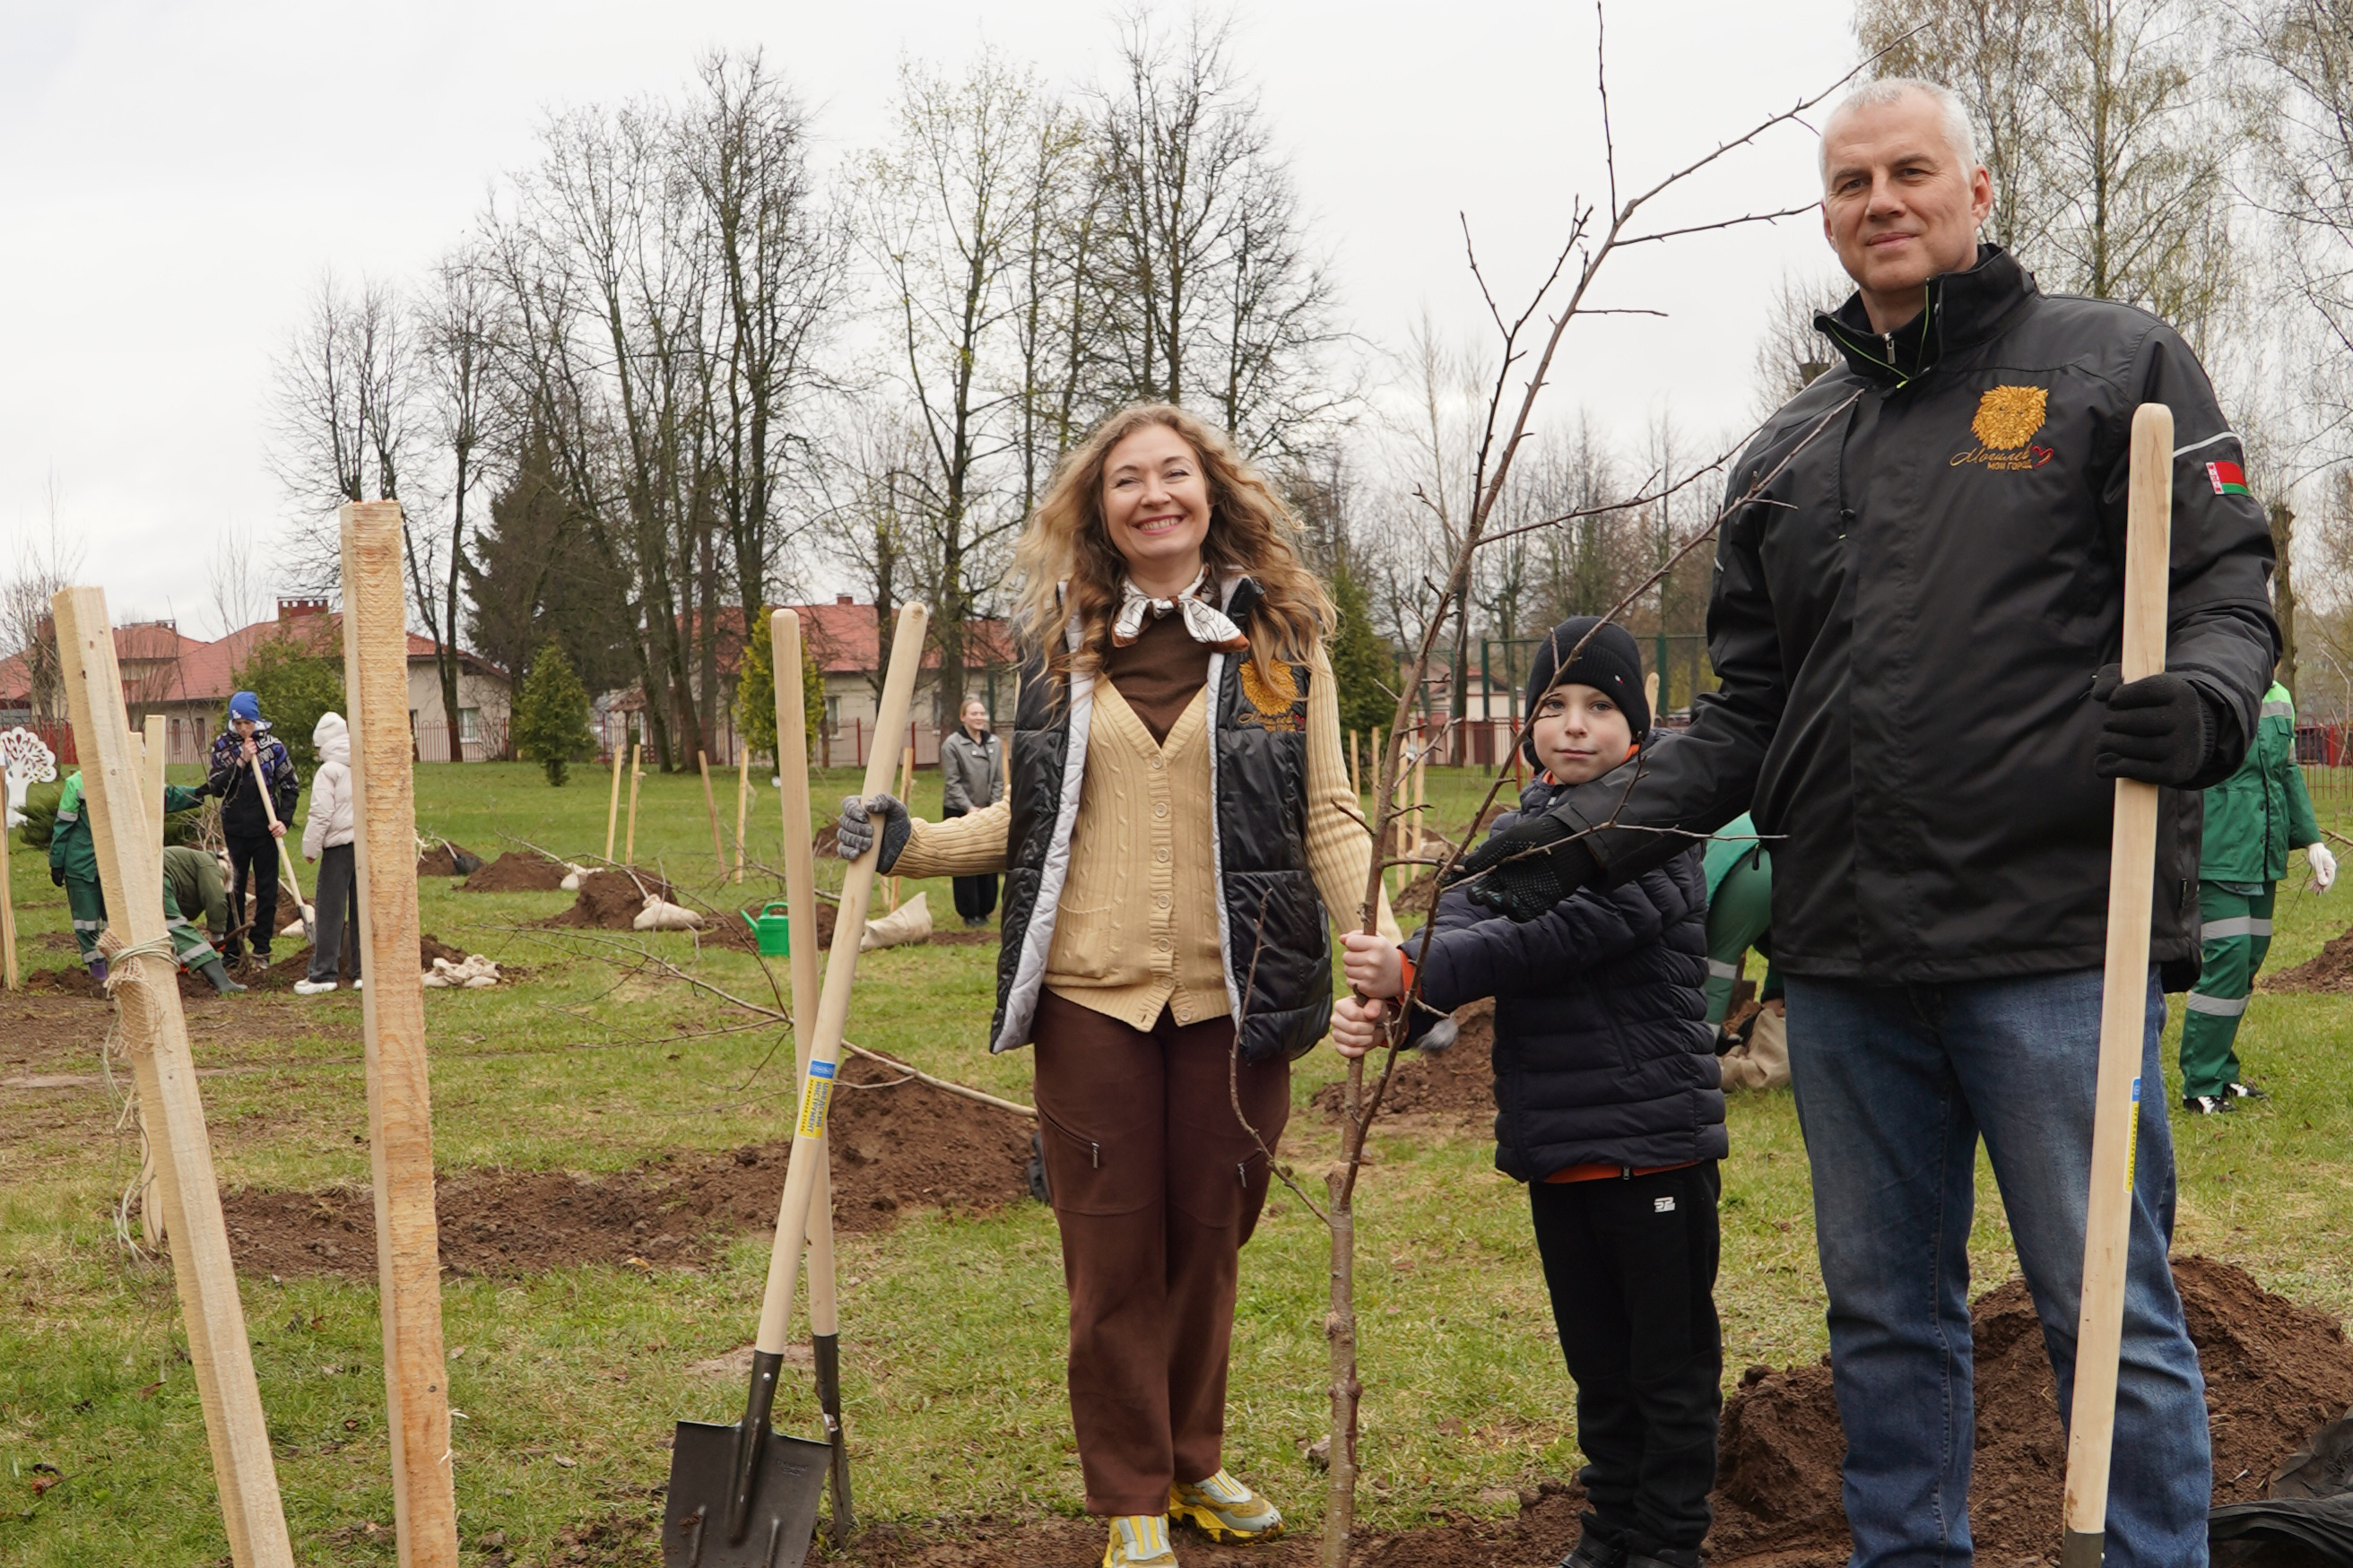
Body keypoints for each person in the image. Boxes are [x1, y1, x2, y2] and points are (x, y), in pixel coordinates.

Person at [1448, 79, 2276, 1568]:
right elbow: (1744, 710)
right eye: (1847, 183)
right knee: (1883, 1314)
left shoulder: (2110, 363)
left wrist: (2208, 694)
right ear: (1825, 218)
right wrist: (1580, 827)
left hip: (2049, 939)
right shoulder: (1785, 446)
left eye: (1907, 173)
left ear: (1975, 189)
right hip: (1842, 962)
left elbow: (2221, 582)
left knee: (2106, 1306)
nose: (1877, 200)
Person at [834, 402, 1396, 1568]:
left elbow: (1327, 814)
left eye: (1173, 475)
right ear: (1099, 509)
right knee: (1110, 1253)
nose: (1154, 496)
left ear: (1212, 493)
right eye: (1127, 480)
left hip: (1239, 1000)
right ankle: (1131, 1490)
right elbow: (1024, 819)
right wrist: (910, 845)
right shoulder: (1064, 647)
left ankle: (1193, 1459)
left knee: (1210, 1239)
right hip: (1092, 999)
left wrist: (1379, 936)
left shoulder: (1280, 645)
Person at [1334, 619, 1724, 1568]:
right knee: (1598, 1366)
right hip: (1562, 1149)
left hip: (1653, 1148)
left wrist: (1413, 964)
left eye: (1599, 707)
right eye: (1552, 706)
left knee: (1666, 1370)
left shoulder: (1652, 832)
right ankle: (1610, 1531)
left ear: (1635, 727)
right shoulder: (1513, 835)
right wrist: (1390, 1008)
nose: (1574, 726)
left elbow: (1547, 939)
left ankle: (1668, 1546)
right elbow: (1458, 934)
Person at [2180, 675, 2333, 1113]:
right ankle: (2200, 1083)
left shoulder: (2280, 696)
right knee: (2228, 955)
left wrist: (2312, 840)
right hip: (2218, 847)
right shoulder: (2207, 684)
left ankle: (2222, 1074)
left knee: (2248, 958)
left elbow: (2286, 770)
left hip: (2262, 851)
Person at [48, 772, 245, 995]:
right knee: (87, 922)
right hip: (81, 862)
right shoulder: (77, 783)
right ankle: (98, 975)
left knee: (119, 920)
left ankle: (123, 968)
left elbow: (162, 797)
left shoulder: (131, 775)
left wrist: (199, 792)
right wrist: (58, 860)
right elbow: (63, 825)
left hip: (119, 862)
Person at [204, 690, 300, 967]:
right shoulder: (222, 746)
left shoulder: (273, 747)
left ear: (256, 721)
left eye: (248, 723)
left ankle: (261, 950)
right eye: (238, 724)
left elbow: (291, 786)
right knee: (232, 890)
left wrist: (283, 819)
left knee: (267, 890)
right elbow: (218, 786)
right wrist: (242, 761)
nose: (243, 729)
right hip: (234, 829)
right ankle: (232, 951)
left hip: (265, 830)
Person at [1702, 814, 1786, 1091]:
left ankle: (1699, 1055)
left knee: (1717, 963)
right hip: (1788, 858)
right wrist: (1776, 995)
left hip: (1752, 861)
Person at [295, 712, 360, 996]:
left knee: (330, 911)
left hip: (337, 848)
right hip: (365, 847)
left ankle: (323, 974)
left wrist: (310, 848)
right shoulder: (361, 762)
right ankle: (362, 973)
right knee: (362, 911)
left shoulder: (328, 771)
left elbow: (321, 814)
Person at [938, 695, 1004, 927]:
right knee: (966, 861)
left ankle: (985, 909)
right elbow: (952, 782)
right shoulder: (952, 745)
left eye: (981, 713)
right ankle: (969, 912)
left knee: (987, 859)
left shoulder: (994, 743)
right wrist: (969, 807)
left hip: (988, 812)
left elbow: (998, 779)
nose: (979, 718)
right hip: (960, 811)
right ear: (963, 717)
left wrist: (994, 808)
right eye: (973, 713)